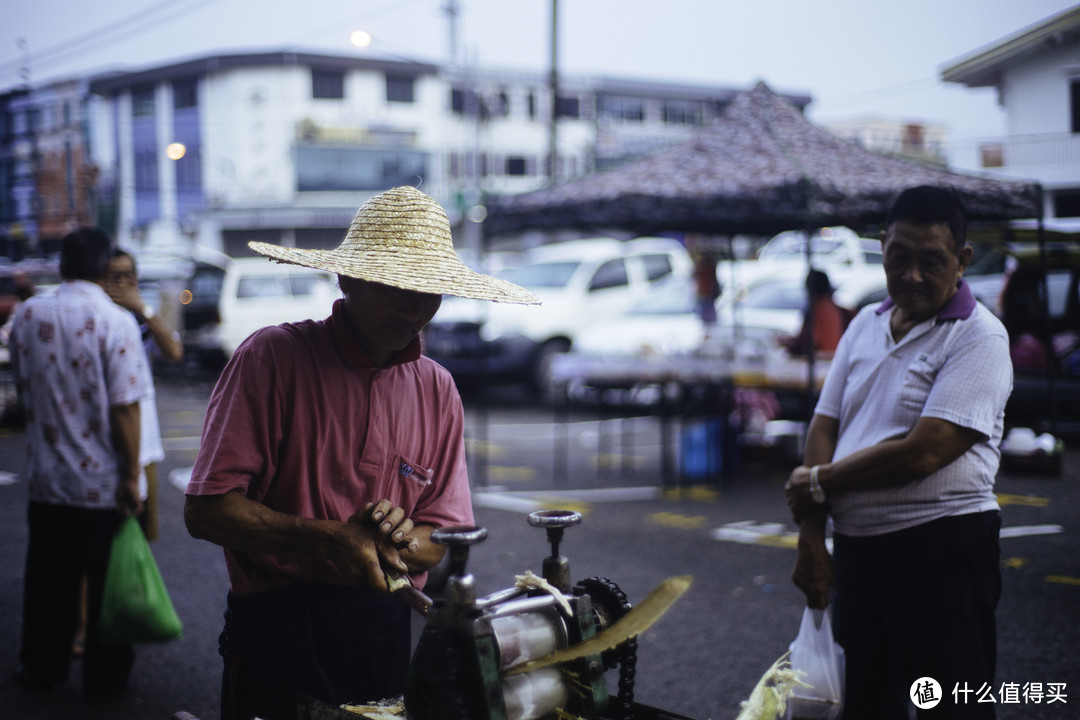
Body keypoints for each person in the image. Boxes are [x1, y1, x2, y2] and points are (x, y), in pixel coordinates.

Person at [183, 186, 539, 720]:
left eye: (429, 289)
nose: (414, 306)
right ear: (346, 277)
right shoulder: (272, 358)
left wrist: (393, 538)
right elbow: (207, 510)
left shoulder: (436, 387)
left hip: (385, 627)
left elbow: (439, 537)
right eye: (395, 284)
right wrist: (331, 537)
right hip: (278, 624)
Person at [784, 185, 1012, 720]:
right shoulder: (863, 324)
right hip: (860, 557)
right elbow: (824, 424)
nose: (912, 275)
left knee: (950, 706)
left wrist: (819, 481)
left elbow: (924, 453)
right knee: (866, 704)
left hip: (944, 550)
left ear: (961, 261)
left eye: (931, 262)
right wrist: (813, 536)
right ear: (882, 245)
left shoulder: (979, 337)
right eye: (899, 258)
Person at [9, 227, 153, 699]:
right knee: (106, 585)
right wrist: (132, 477)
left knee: (48, 583)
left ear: (63, 264)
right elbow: (126, 408)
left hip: (47, 480)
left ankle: (41, 668)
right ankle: (105, 680)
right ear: (102, 264)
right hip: (103, 485)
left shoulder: (29, 314)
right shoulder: (114, 321)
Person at [105, 248, 183, 541]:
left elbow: (174, 351)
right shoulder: (101, 317)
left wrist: (143, 309)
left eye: (129, 275)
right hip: (110, 445)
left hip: (146, 443)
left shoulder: (139, 318)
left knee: (141, 533)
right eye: (116, 276)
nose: (123, 283)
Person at [780, 268, 850, 357]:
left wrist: (790, 345)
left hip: (820, 361)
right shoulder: (834, 307)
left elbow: (809, 342)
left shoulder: (817, 308)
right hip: (831, 359)